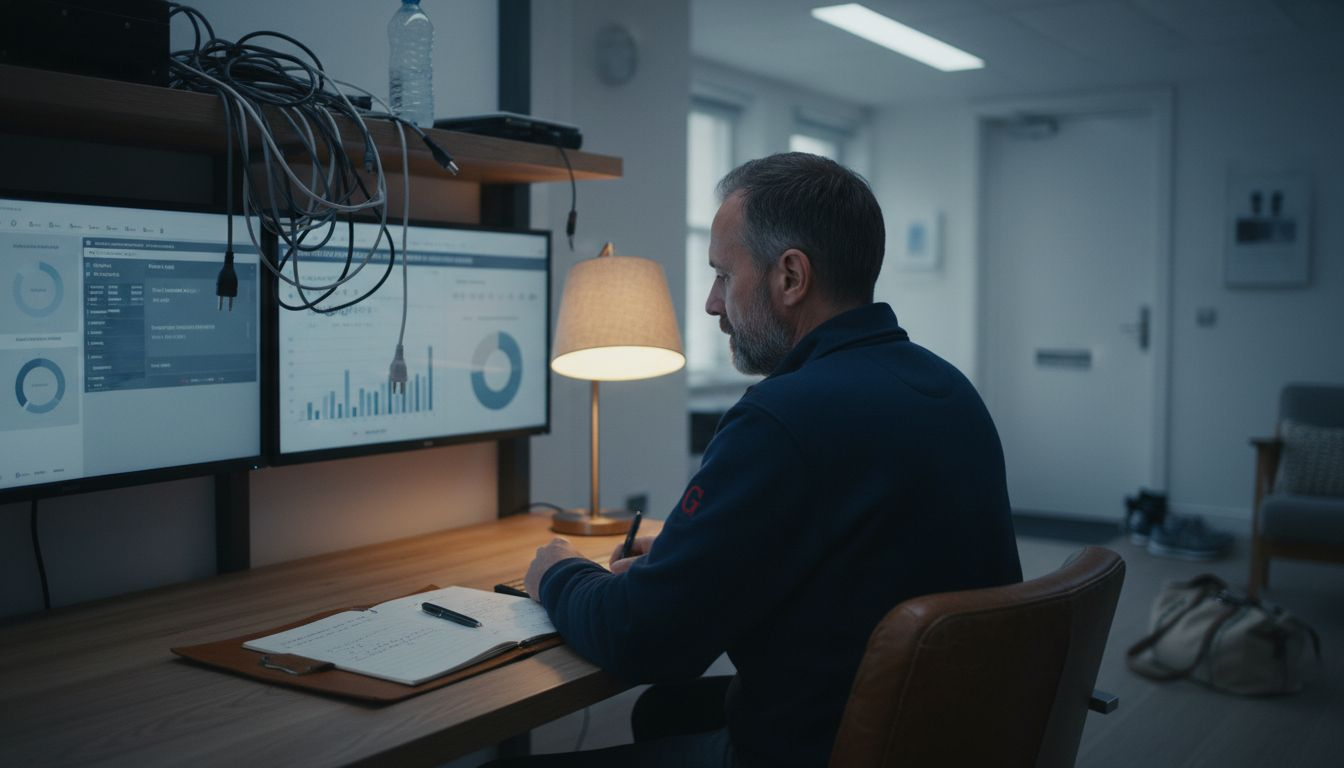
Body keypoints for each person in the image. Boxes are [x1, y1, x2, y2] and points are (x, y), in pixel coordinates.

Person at [498, 153, 1022, 768]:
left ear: (791, 277)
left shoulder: (782, 417)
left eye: (723, 274)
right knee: (664, 712)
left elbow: (645, 640)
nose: (712, 304)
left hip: (830, 747)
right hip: (945, 733)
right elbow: (861, 554)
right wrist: (692, 556)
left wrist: (557, 572)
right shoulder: (947, 388)